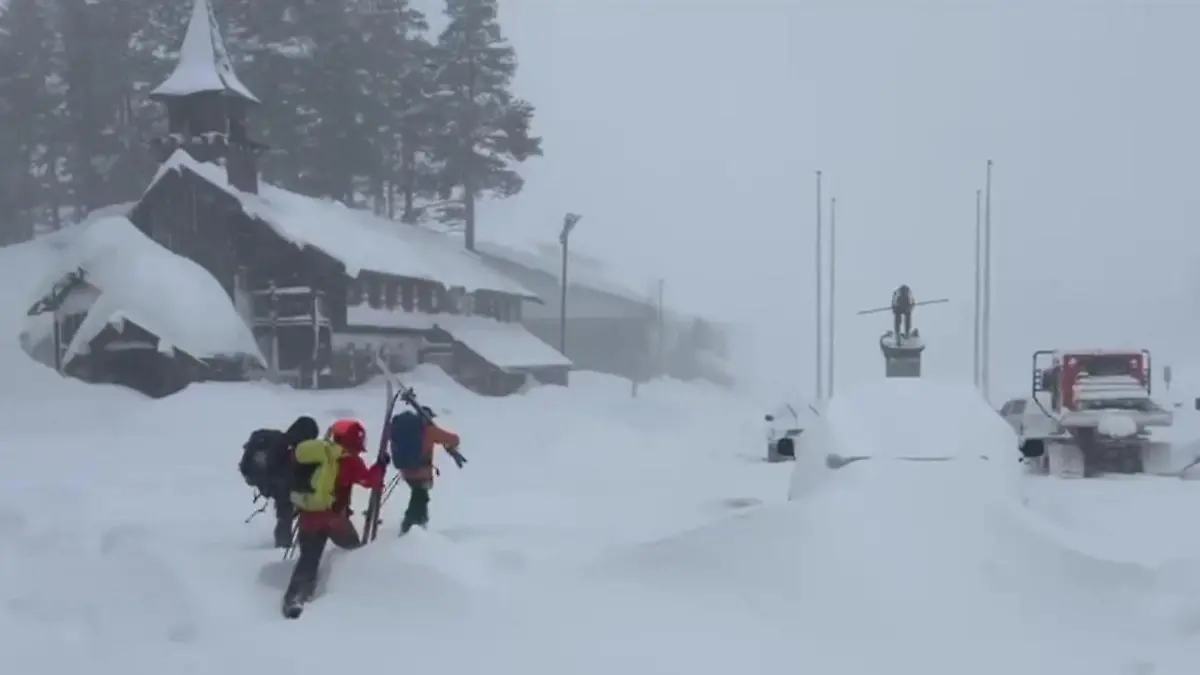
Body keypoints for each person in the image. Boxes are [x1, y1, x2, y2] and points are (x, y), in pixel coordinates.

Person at [283, 418, 388, 607]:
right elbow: (369, 480)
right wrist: (380, 466)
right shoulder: (349, 461)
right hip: (333, 518)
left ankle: (295, 598)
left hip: (307, 514)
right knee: (354, 551)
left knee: (309, 558)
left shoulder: (318, 454)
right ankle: (349, 593)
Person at [238, 416, 320, 548]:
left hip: (265, 478)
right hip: (276, 481)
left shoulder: (279, 442)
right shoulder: (286, 448)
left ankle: (284, 542)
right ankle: (282, 545)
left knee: (285, 509)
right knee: (285, 511)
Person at [390, 406, 464, 534]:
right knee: (420, 499)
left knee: (419, 497)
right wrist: (451, 446)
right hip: (421, 472)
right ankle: (411, 529)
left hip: (406, 471)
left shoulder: (405, 430)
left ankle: (415, 526)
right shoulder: (429, 430)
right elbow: (454, 439)